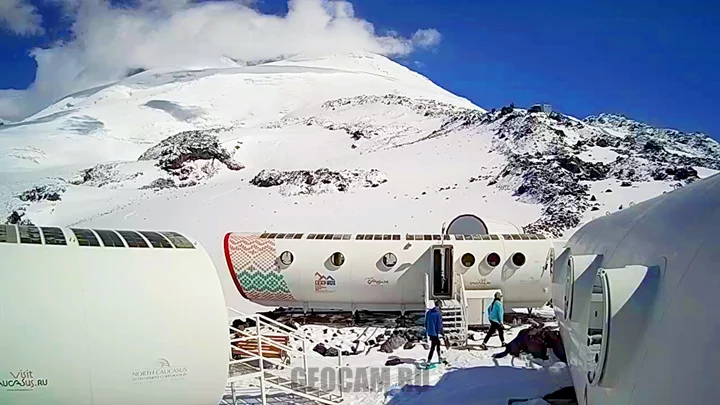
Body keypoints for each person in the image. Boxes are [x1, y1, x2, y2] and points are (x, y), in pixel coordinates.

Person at [425, 299, 444, 363]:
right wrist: (441, 332)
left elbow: (426, 322)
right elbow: (439, 324)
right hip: (435, 332)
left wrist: (427, 330)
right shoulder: (438, 313)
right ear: (439, 305)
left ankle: (439, 357)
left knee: (438, 343)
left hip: (430, 332)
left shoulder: (429, 312)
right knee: (433, 347)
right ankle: (429, 361)